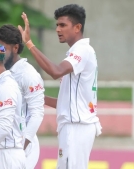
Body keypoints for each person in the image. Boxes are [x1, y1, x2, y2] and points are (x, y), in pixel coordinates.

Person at [18, 4, 102, 169]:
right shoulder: (77, 53)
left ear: (77, 27)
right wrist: (33, 97)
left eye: (63, 25)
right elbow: (65, 102)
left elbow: (55, 72)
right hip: (74, 126)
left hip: (77, 127)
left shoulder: (82, 50)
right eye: (57, 25)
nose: (57, 29)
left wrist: (29, 43)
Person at [0, 24, 45, 169]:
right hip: (3, 145)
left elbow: (37, 114)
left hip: (23, 147)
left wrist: (21, 147)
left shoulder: (28, 74)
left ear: (15, 48)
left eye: (2, 49)